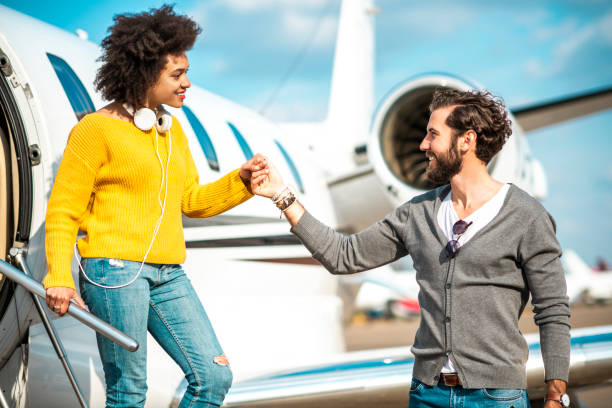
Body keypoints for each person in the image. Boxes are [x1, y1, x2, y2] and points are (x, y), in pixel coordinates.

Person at [253, 89, 571, 408]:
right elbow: (343, 256)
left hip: (496, 397)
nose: (423, 145)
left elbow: (553, 310)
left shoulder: (527, 217)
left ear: (467, 140)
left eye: (433, 134)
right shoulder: (416, 214)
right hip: (427, 394)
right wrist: (282, 195)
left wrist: (556, 396)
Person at [43, 6, 268, 407]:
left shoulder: (171, 131)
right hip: (113, 271)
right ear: (145, 74)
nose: (187, 84)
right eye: (177, 75)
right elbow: (63, 210)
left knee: (213, 375)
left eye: (187, 73)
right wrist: (58, 275)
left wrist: (242, 182)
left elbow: (190, 201)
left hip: (169, 272)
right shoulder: (95, 130)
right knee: (128, 391)